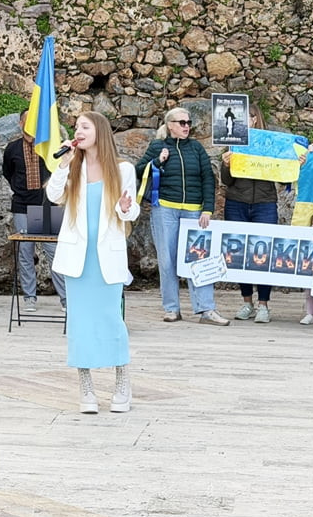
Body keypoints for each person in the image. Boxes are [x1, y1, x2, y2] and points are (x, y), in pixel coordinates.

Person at [45, 111, 140, 413]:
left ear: (99, 131)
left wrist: (125, 208)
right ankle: (86, 389)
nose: (78, 131)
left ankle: (122, 383)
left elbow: (131, 211)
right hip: (77, 259)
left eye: (84, 126)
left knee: (112, 321)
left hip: (107, 258)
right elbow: (53, 196)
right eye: (76, 127)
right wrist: (62, 164)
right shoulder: (74, 165)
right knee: (80, 324)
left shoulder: (123, 169)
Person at [137, 107, 227, 326]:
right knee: (167, 260)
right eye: (182, 122)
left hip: (194, 211)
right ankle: (171, 309)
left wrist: (207, 209)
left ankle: (206, 309)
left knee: (200, 259)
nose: (187, 126)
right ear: (170, 125)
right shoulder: (158, 146)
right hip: (165, 208)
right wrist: (157, 161)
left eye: (189, 123)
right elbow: (138, 170)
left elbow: (208, 178)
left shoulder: (196, 148)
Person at [2, 110, 67, 315]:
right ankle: (29, 297)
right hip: (22, 204)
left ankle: (66, 298)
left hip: (46, 205)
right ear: (21, 124)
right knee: (26, 252)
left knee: (52, 252)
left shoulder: (48, 147)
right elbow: (7, 172)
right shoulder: (12, 148)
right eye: (27, 121)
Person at [219, 105, 279, 323]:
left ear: (256, 119)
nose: (245, 121)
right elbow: (226, 180)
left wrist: (295, 164)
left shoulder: (270, 143)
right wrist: (226, 165)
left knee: (264, 252)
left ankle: (263, 304)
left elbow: (282, 176)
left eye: (248, 117)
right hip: (237, 203)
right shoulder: (232, 142)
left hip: (264, 203)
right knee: (239, 254)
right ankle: (247, 303)